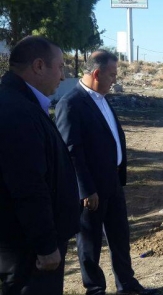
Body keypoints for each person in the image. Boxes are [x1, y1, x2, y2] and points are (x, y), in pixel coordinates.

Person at [55, 50, 156, 295]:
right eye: (112, 75)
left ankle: (127, 285)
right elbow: (72, 152)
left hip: (112, 183)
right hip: (92, 189)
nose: (115, 79)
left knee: (120, 237)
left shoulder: (102, 98)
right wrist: (86, 189)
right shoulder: (71, 103)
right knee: (90, 244)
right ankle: (95, 289)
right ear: (97, 73)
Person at [0, 36, 80, 295]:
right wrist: (46, 246)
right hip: (28, 252)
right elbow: (28, 186)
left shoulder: (22, 103)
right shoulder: (17, 112)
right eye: (59, 67)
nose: (62, 75)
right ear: (38, 66)